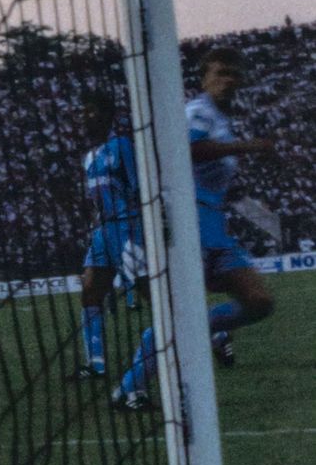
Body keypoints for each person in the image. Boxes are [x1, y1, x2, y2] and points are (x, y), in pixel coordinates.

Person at [118, 46, 278, 410]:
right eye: (219, 72)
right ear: (205, 77)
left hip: (212, 222)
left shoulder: (222, 120)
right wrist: (251, 147)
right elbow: (192, 150)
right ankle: (130, 388)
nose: (226, 80)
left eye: (233, 74)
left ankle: (209, 329)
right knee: (181, 314)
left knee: (259, 302)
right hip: (187, 222)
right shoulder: (197, 112)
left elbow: (209, 167)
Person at [74, 91, 143, 378]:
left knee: (150, 294)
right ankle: (96, 364)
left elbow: (140, 189)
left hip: (129, 227)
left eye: (92, 111)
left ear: (107, 115)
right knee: (90, 291)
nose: (85, 118)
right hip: (103, 231)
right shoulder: (89, 158)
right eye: (83, 112)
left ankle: (215, 337)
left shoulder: (122, 146)